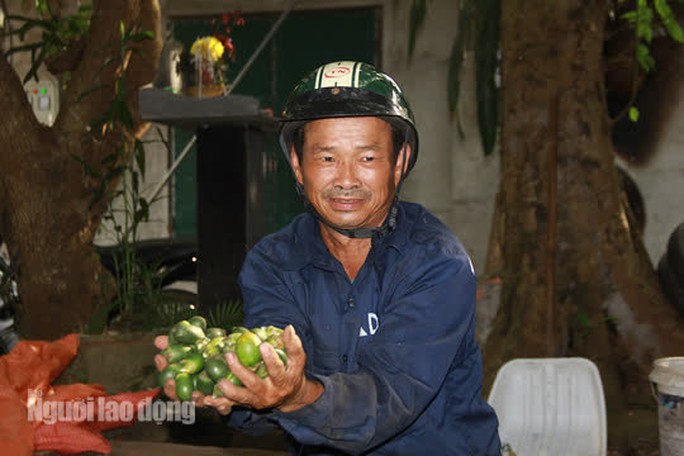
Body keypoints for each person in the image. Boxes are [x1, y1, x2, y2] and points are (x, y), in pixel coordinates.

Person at [155, 60, 501, 455]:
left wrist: (296, 395)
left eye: (367, 158)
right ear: (299, 167)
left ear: (400, 163)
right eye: (326, 158)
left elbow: (388, 402)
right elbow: (270, 378)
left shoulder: (437, 264)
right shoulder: (274, 263)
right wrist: (232, 388)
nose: (347, 179)